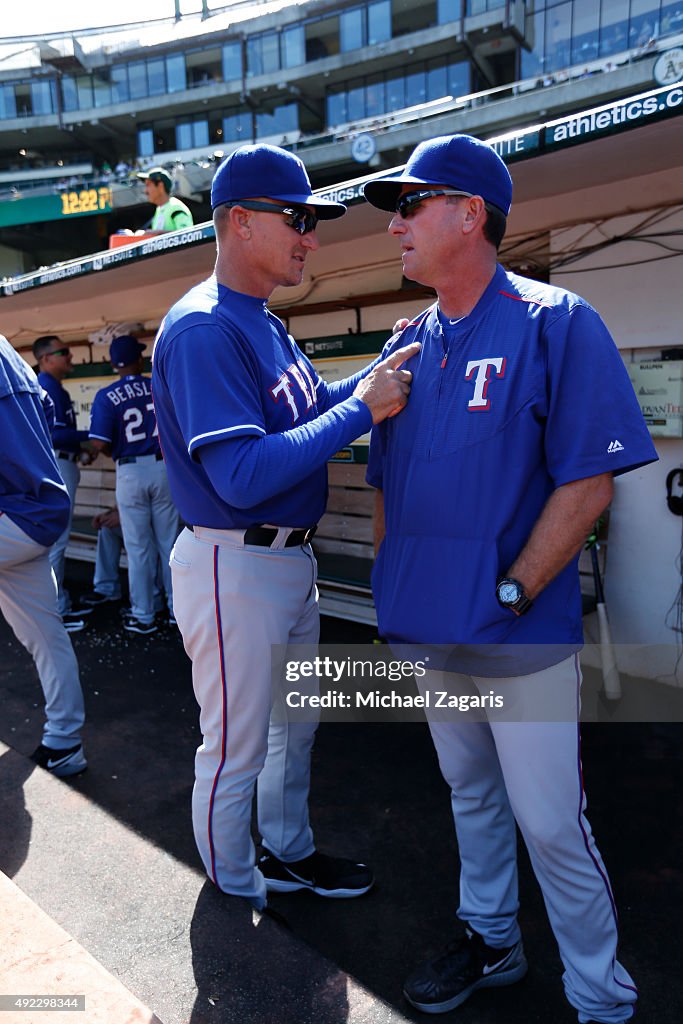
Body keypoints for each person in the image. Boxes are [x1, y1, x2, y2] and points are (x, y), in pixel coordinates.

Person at [362, 134, 658, 1023]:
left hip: (516, 635)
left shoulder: (553, 319)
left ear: (468, 213)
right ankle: (489, 940)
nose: (393, 226)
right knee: (469, 796)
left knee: (550, 824)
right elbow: (384, 486)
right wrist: (392, 588)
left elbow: (588, 481)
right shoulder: (407, 344)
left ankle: (600, 997)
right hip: (428, 630)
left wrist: (513, 593)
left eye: (409, 206)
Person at [151, 143, 419, 910]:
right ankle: (235, 897)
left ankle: (289, 856)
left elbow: (303, 413)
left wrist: (377, 370)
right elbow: (242, 476)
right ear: (239, 221)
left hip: (282, 563)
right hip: (232, 562)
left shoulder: (257, 319)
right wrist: (364, 408)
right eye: (296, 218)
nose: (310, 235)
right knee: (234, 748)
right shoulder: (204, 327)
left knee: (291, 732)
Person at [0, 334, 87, 777]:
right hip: (37, 513)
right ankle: (65, 744)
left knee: (46, 637)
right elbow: (49, 421)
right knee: (47, 637)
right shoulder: (13, 359)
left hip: (12, 517)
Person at [88, 336, 179, 635]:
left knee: (139, 548)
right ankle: (177, 612)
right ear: (138, 360)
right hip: (163, 467)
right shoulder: (159, 384)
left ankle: (144, 615)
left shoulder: (106, 395)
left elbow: (99, 442)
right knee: (169, 544)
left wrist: (116, 453)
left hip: (129, 471)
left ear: (115, 363)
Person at [33, 335, 93, 632]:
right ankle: (55, 610)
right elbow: (54, 435)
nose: (70, 356)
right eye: (63, 352)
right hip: (56, 463)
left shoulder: (54, 387)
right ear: (46, 359)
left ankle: (58, 603)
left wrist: (81, 448)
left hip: (62, 461)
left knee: (57, 540)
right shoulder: (45, 387)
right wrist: (91, 435)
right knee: (57, 540)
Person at [135, 167, 194, 233]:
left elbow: (187, 235)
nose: (145, 191)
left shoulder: (176, 207)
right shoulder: (159, 209)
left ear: (160, 186)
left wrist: (152, 234)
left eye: (148, 185)